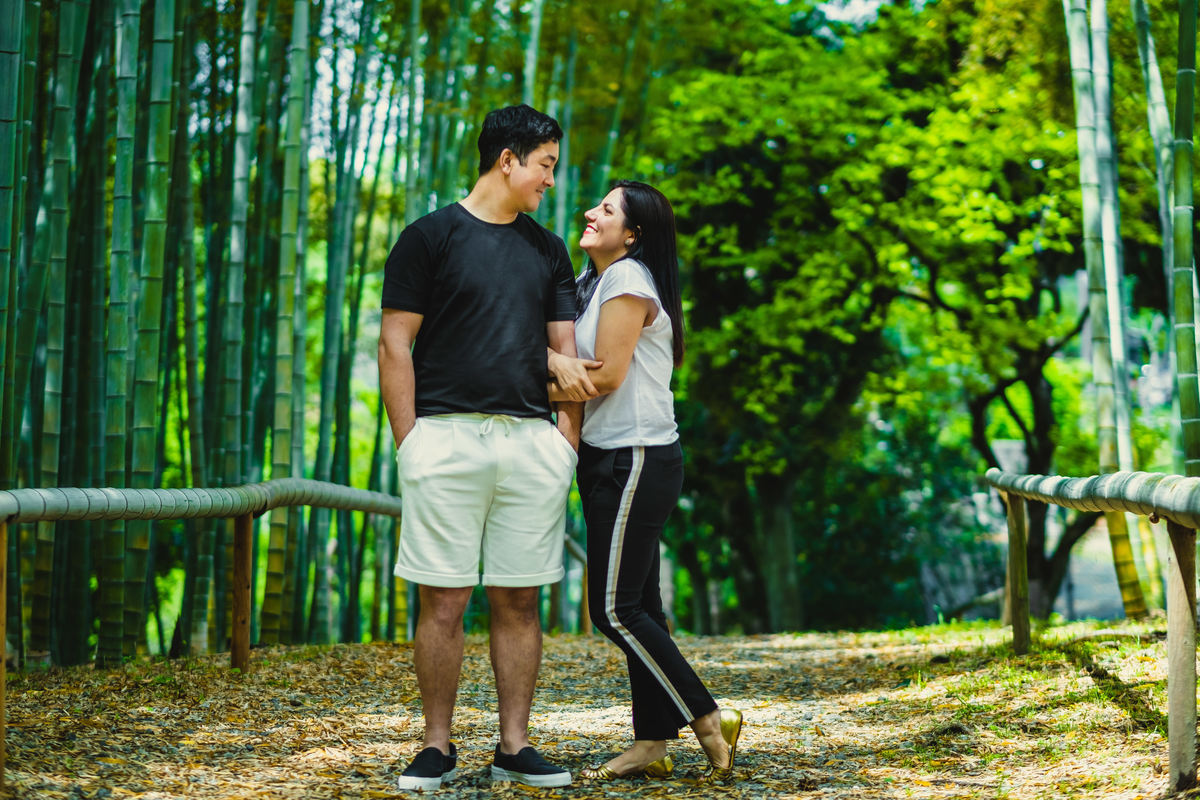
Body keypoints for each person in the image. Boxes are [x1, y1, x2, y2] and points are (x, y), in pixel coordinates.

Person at [378, 104, 582, 791]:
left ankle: (513, 745)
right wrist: (411, 442)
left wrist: (566, 446)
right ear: (508, 159)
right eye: (546, 165)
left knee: (519, 601)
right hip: (446, 437)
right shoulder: (428, 237)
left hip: (531, 441)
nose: (550, 180)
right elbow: (394, 343)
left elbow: (565, 352)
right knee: (444, 600)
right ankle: (436, 745)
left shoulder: (548, 249)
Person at [547, 180, 743, 782]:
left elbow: (604, 377)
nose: (590, 212)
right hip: (610, 458)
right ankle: (652, 741)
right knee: (642, 606)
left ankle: (709, 719)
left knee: (614, 609)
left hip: (636, 455)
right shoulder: (594, 283)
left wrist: (498, 390)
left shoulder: (628, 279)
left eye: (606, 210)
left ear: (633, 234)